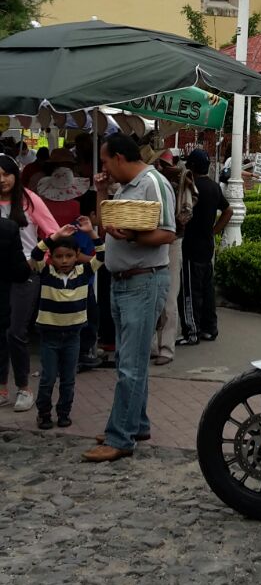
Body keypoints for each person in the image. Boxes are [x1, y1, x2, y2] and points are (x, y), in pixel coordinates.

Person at [82, 134, 176, 463]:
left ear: (120, 158)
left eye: (106, 161)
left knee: (130, 367)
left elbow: (168, 232)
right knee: (130, 360)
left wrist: (134, 236)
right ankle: (135, 424)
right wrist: (101, 193)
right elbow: (106, 225)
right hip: (123, 281)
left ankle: (120, 437)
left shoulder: (154, 183)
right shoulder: (124, 187)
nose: (104, 168)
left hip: (143, 282)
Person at [30, 218, 104, 429]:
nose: (64, 261)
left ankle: (64, 413)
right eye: (59, 256)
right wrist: (55, 236)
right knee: (48, 377)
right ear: (51, 258)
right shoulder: (46, 272)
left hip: (73, 336)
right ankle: (44, 413)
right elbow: (36, 254)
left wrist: (91, 233)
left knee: (68, 379)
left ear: (77, 256)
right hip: (50, 336)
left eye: (69, 256)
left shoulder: (84, 273)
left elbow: (103, 255)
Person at [0, 154, 59, 412]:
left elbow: (54, 233)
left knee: (15, 331)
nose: (2, 180)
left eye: (6, 173)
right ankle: (1, 388)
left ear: (16, 174)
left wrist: (41, 258)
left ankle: (24, 386)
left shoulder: (29, 201)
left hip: (26, 271)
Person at [178, 149, 232, 345]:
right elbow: (228, 211)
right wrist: (214, 230)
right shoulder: (214, 187)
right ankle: (210, 328)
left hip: (191, 246)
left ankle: (192, 332)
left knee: (190, 290)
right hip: (207, 245)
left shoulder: (191, 188)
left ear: (191, 166)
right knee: (207, 289)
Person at [150, 150, 196, 365]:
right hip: (151, 241)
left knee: (168, 298)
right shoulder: (145, 181)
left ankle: (166, 348)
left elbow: (186, 212)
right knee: (151, 297)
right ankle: (152, 346)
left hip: (171, 241)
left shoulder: (181, 179)